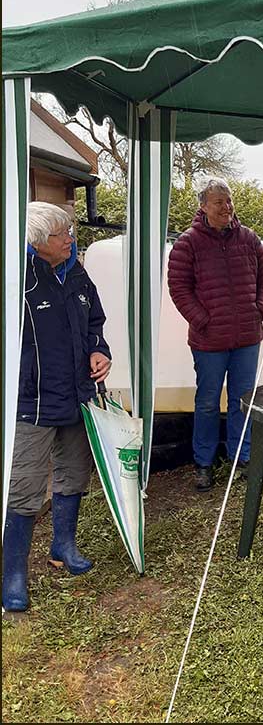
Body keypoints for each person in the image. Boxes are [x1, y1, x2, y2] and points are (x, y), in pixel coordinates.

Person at [3, 203, 112, 613]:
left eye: (70, 231)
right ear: (37, 243)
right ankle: (13, 573)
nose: (71, 238)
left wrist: (100, 350)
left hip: (77, 394)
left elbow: (94, 321)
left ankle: (63, 545)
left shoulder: (77, 272)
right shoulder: (19, 279)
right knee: (25, 486)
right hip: (32, 402)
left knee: (75, 472)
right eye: (62, 234)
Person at [167, 177, 263, 492]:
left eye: (228, 201)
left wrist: (261, 307)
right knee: (208, 402)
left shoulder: (249, 239)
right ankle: (204, 462)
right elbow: (179, 288)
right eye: (218, 202)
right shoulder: (188, 243)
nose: (226, 207)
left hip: (246, 338)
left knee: (244, 400)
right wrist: (202, 320)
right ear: (203, 206)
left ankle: (243, 457)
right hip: (209, 341)